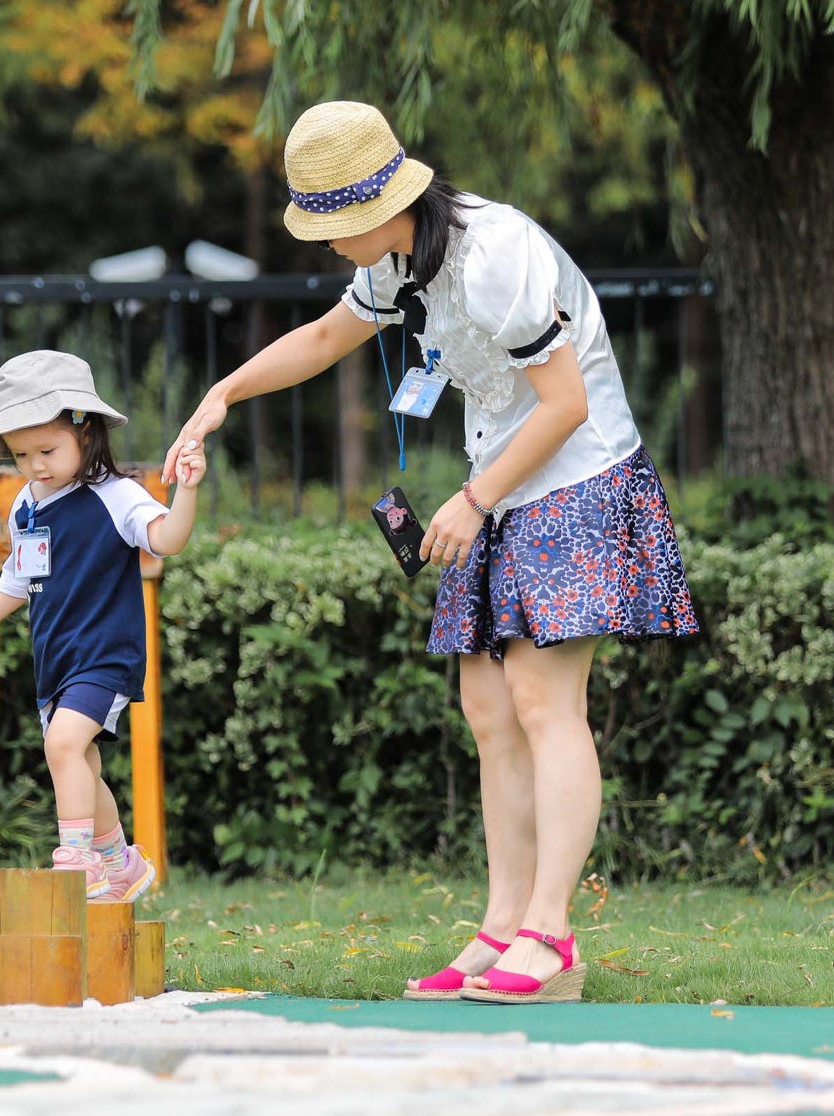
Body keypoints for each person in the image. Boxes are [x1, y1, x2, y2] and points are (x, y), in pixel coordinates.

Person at [164, 101, 698, 1002]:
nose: (330, 245)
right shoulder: (403, 261)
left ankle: (552, 935)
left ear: (379, 209)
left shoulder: (493, 257)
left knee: (543, 698)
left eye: (335, 227)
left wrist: (473, 498)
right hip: (499, 481)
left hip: (578, 477)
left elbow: (566, 404)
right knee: (487, 706)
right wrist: (224, 392)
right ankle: (500, 929)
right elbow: (329, 337)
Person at [0, 350, 205, 902]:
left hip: (104, 654)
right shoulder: (26, 504)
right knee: (82, 762)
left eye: (47, 450)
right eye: (22, 455)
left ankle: (77, 859)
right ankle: (121, 862)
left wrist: (187, 490)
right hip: (56, 659)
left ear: (85, 432)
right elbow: (18, 580)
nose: (35, 466)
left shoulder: (115, 495)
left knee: (64, 744)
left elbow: (167, 540)